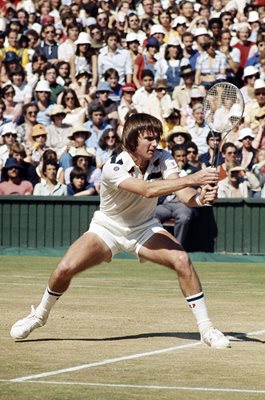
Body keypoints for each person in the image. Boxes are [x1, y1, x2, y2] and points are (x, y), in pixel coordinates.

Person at [10, 113, 230, 349]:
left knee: (182, 259)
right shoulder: (113, 167)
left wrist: (200, 197)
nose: (156, 144)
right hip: (107, 228)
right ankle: (40, 315)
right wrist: (194, 178)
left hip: (144, 228)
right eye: (149, 139)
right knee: (64, 269)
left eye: (157, 138)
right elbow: (147, 190)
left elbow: (186, 197)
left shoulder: (163, 158)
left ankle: (206, 329)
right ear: (133, 140)